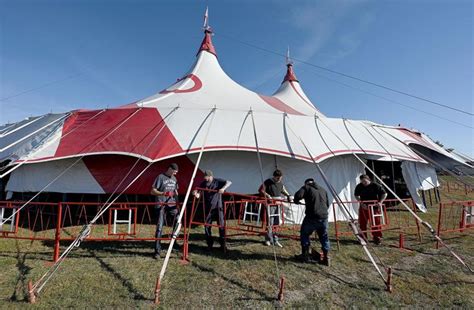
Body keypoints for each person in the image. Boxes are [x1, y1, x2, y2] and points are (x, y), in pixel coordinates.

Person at [293, 178, 330, 265]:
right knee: (324, 237)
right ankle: (326, 257)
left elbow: (298, 195)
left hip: (312, 217)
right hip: (324, 217)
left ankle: (305, 255)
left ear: (306, 183)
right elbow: (327, 204)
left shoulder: (306, 187)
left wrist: (296, 201)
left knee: (304, 233)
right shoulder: (323, 189)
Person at [192, 170, 232, 251]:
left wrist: (223, 188)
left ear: (210, 176)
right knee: (207, 226)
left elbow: (229, 182)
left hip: (218, 207)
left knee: (221, 225)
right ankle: (209, 245)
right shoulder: (203, 183)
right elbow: (199, 194)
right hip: (208, 208)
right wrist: (196, 194)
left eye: (206, 177)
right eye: (204, 177)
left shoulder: (217, 181)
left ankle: (223, 245)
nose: (205, 179)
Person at [150, 163, 179, 259]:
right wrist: (164, 193)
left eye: (176, 172)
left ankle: (173, 242)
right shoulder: (160, 177)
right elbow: (152, 191)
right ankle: (157, 251)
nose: (174, 174)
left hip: (171, 204)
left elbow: (176, 191)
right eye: (174, 172)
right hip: (161, 204)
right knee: (159, 227)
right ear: (169, 169)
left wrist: (177, 201)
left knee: (178, 221)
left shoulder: (174, 179)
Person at [259, 169, 291, 248]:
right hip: (270, 203)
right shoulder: (267, 182)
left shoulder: (280, 183)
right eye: (278, 178)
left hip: (278, 203)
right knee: (270, 221)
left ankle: (275, 239)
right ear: (274, 176)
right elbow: (261, 190)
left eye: (280, 178)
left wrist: (288, 195)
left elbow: (283, 190)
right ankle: (268, 239)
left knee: (276, 222)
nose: (279, 179)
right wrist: (268, 196)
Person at [354, 174, 388, 245]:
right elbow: (356, 195)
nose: (364, 183)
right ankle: (363, 238)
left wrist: (380, 202)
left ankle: (377, 237)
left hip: (374, 207)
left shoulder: (375, 185)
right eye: (362, 181)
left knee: (376, 223)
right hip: (364, 207)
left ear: (368, 179)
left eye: (365, 181)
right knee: (362, 222)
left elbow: (384, 194)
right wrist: (361, 203)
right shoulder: (359, 186)